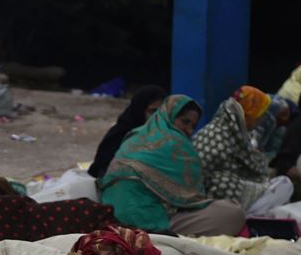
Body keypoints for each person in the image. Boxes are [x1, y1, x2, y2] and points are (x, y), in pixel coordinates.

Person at [98, 95, 246, 237]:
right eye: (184, 122)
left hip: (112, 214)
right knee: (232, 213)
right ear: (169, 116)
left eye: (193, 125)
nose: (189, 130)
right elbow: (191, 199)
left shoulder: (135, 134)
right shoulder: (177, 143)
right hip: (148, 221)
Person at [194, 85, 292, 213]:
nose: (261, 119)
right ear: (246, 114)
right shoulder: (224, 134)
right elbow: (255, 169)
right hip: (218, 196)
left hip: (218, 194)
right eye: (258, 114)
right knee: (284, 184)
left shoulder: (225, 129)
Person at [88, 85, 168, 178]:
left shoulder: (167, 136)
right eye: (152, 111)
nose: (157, 117)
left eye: (161, 112)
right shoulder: (120, 136)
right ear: (139, 110)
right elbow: (104, 170)